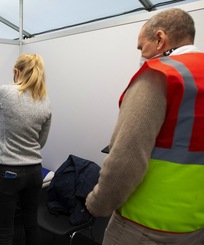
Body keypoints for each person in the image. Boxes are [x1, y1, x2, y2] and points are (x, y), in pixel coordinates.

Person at [85, 8, 204, 244]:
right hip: (194, 226)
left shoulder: (160, 74)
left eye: (141, 47)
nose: (141, 55)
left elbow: (125, 159)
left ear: (160, 39)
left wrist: (97, 204)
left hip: (143, 226)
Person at [0, 53, 52, 245]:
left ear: (16, 71)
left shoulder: (6, 92)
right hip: (34, 171)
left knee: (5, 231)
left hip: (7, 172)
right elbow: (41, 141)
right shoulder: (44, 100)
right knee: (31, 224)